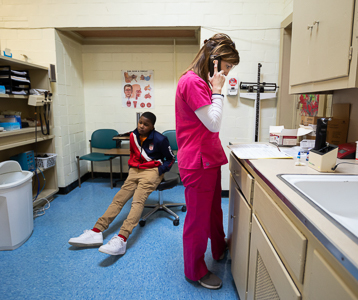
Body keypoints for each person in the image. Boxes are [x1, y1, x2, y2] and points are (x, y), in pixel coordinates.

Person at [175, 33, 240, 289]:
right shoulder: (192, 82)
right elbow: (213, 124)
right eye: (226, 66)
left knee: (214, 211)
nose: (227, 72)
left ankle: (218, 247)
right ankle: (195, 271)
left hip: (209, 159)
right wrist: (218, 91)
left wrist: (214, 89)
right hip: (197, 162)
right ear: (214, 61)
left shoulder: (201, 82)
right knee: (197, 220)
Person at [69, 112, 175, 255]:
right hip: (135, 171)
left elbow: (170, 158)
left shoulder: (160, 139)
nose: (142, 126)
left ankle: (122, 239)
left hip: (151, 171)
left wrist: (159, 170)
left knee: (137, 202)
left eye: (146, 124)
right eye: (140, 123)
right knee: (118, 199)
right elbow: (133, 153)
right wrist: (132, 167)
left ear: (152, 126)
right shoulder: (133, 136)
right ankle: (96, 231)